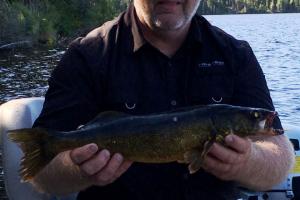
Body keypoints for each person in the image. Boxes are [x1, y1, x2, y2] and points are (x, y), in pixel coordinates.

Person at [31, 0, 295, 199]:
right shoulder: (87, 57)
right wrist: (77, 168)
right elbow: (43, 174)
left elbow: (280, 156)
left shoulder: (235, 55)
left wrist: (248, 161)